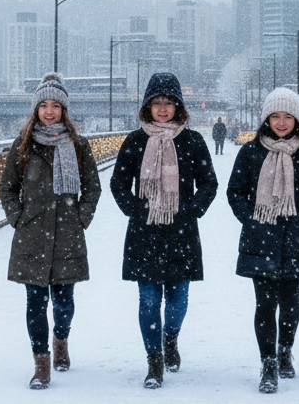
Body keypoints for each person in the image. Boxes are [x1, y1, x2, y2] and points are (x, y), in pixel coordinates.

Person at [110, 72, 218, 389]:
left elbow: (209, 183)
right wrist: (136, 209)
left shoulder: (193, 141)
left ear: (178, 106)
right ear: (147, 106)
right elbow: (118, 184)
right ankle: (154, 359)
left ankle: (170, 339)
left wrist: (190, 210)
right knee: (147, 300)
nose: (162, 108)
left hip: (181, 232)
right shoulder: (134, 141)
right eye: (156, 102)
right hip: (144, 233)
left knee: (178, 300)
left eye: (168, 102)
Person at [0, 72, 102, 390]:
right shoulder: (23, 146)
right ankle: (41, 365)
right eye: (43, 105)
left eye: (55, 105)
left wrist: (80, 219)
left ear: (64, 111)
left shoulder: (79, 145)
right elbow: (7, 188)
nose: (48, 111)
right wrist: (19, 219)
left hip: (67, 236)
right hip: (32, 237)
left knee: (64, 302)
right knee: (34, 303)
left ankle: (61, 342)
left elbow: (92, 188)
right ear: (35, 110)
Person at [226, 87, 299, 394]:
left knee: (290, 302)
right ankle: (268, 362)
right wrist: (251, 219)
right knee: (264, 303)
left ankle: (285, 350)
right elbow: (235, 191)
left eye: (288, 116)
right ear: (267, 119)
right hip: (261, 239)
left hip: (297, 239)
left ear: (296, 119)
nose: (282, 122)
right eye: (276, 116)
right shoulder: (251, 152)